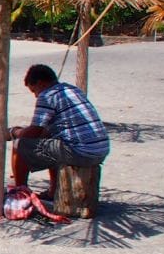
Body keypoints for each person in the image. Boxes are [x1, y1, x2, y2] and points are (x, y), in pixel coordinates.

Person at [9, 64, 108, 201]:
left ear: (40, 83)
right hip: (100, 149)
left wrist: (13, 132)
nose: (36, 95)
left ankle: (21, 191)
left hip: (81, 152)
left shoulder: (47, 96)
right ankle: (53, 191)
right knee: (52, 143)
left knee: (19, 145)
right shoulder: (72, 90)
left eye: (34, 91)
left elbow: (35, 131)